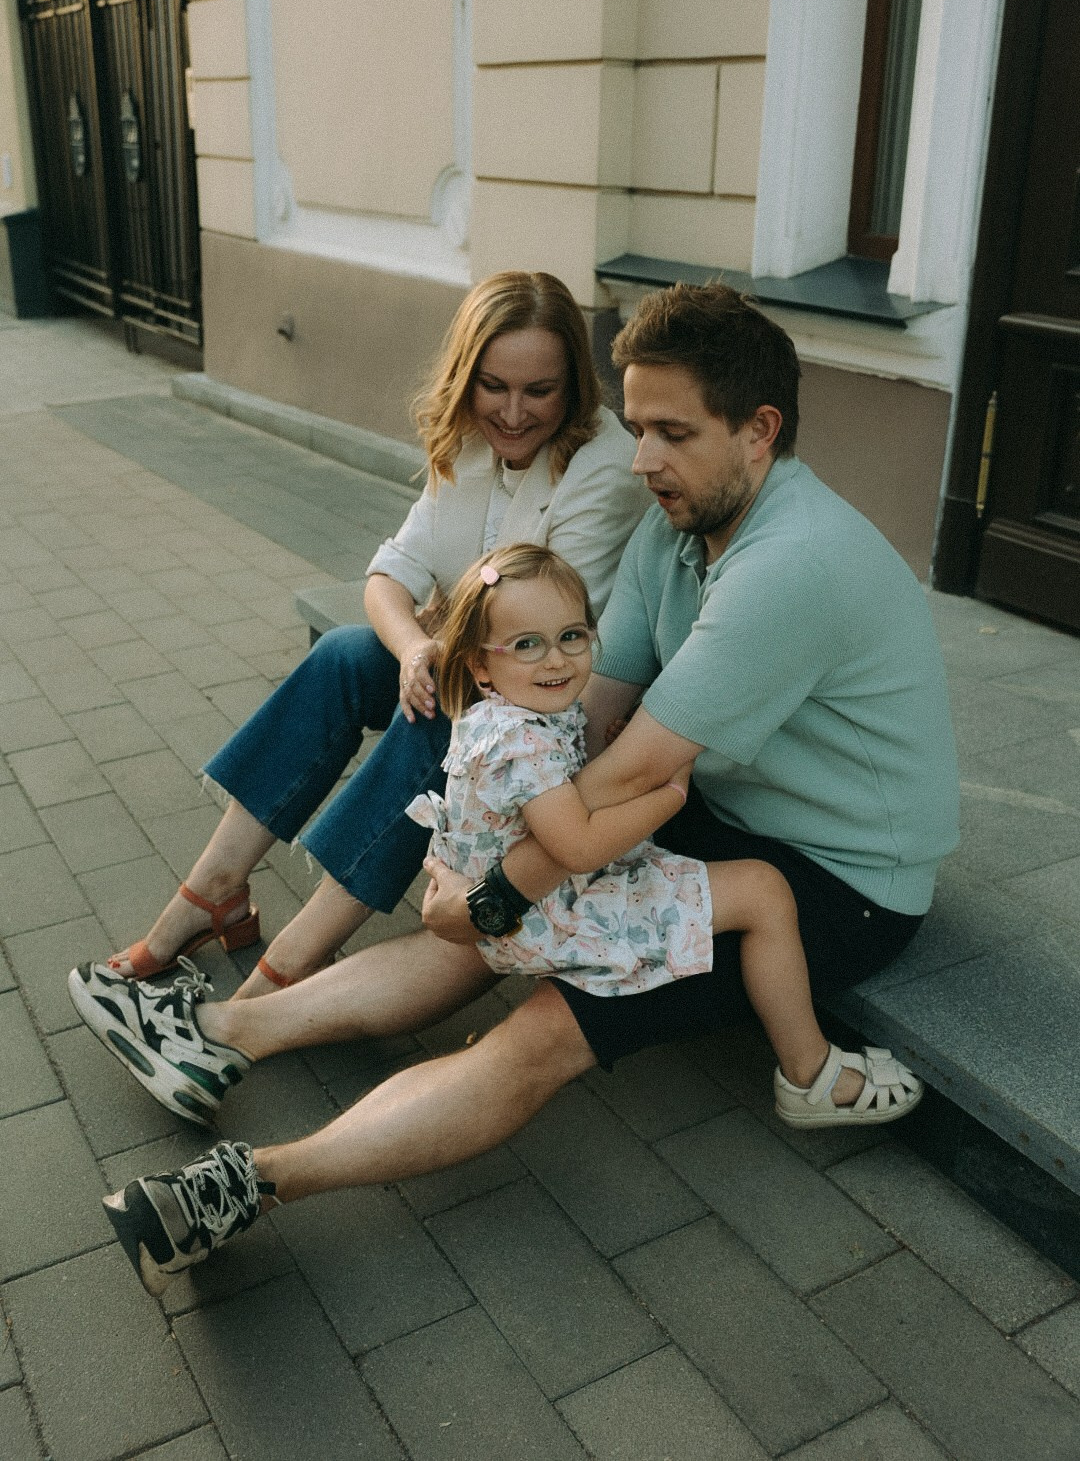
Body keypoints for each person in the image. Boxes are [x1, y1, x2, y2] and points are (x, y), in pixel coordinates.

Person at [69, 281, 956, 1298]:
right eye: (638, 427)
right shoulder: (675, 530)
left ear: (760, 431)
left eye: (672, 433)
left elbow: (638, 767)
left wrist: (494, 890)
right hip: (719, 806)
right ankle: (217, 1033)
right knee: (494, 926)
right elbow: (594, 716)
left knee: (546, 1023)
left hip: (840, 877)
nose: (642, 460)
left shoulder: (792, 564)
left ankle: (243, 1187)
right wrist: (480, 857)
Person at [101, 270, 648, 994]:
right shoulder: (469, 439)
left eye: (539, 391)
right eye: (493, 386)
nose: (513, 413)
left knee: (443, 714)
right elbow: (390, 575)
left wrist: (440, 635)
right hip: (481, 667)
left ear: (573, 386)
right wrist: (416, 645)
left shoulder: (603, 468)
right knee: (345, 655)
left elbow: (532, 627)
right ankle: (214, 890)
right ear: (467, 377)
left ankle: (290, 965)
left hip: (554, 708)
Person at [407, 541, 920, 1117]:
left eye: (572, 636)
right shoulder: (520, 741)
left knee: (748, 884)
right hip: (547, 912)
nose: (555, 661)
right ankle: (810, 1074)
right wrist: (670, 795)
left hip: (526, 901)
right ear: (479, 665)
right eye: (527, 644)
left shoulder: (512, 716)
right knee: (764, 891)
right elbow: (579, 847)